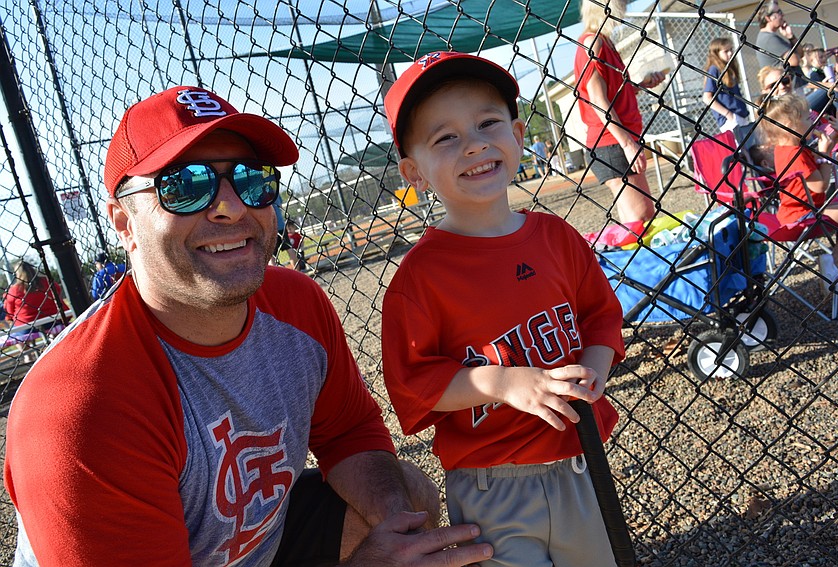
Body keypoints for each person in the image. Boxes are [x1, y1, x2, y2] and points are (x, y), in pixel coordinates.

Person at [4, 85, 493, 567]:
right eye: (185, 185)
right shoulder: (80, 408)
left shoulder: (295, 304)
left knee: (409, 493)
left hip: (259, 544)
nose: (231, 206)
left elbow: (348, 433)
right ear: (125, 224)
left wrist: (396, 529)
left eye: (250, 178)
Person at [381, 50, 625, 566]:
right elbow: (414, 385)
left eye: (488, 123)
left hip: (581, 457)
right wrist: (502, 383)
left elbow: (601, 315)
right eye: (444, 138)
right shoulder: (418, 279)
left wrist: (595, 369)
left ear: (517, 135)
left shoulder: (556, 237)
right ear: (413, 171)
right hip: (491, 481)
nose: (473, 144)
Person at [574, 0, 664, 225]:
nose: (625, 9)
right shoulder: (593, 42)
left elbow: (611, 93)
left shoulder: (604, 42)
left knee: (639, 219)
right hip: (611, 141)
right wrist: (627, 143)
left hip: (615, 139)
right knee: (640, 218)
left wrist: (642, 84)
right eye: (621, 4)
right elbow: (597, 99)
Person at [759, 93, 838, 288]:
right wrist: (825, 153)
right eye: (808, 118)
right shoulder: (794, 155)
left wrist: (833, 140)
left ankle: (833, 263)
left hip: (805, 212)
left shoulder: (789, 148)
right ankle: (832, 262)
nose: (814, 120)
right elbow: (820, 186)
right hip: (802, 218)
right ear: (790, 125)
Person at [703, 37, 753, 145]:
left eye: (731, 49)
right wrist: (728, 114)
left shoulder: (728, 67)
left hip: (740, 114)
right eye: (726, 51)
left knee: (750, 145)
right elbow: (707, 98)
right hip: (730, 118)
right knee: (741, 149)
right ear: (716, 53)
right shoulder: (714, 69)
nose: (730, 53)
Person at [3, 260, 65, 329]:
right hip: (54, 319)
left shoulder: (15, 289)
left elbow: (10, 310)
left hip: (26, 324)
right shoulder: (47, 281)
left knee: (12, 328)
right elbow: (58, 291)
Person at [754, 2, 802, 85]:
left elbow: (801, 54)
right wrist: (795, 55)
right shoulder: (769, 39)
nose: (783, 14)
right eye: (779, 12)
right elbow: (795, 60)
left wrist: (791, 37)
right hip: (786, 86)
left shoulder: (769, 36)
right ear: (768, 18)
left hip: (793, 84)